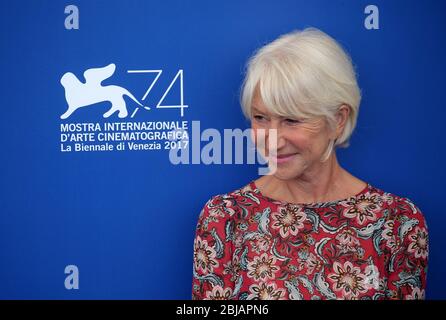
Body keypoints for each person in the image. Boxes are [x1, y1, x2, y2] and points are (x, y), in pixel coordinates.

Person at [192, 28, 428, 300]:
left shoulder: (398, 222)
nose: (272, 140)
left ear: (338, 120)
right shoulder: (225, 219)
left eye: (291, 120)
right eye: (260, 118)